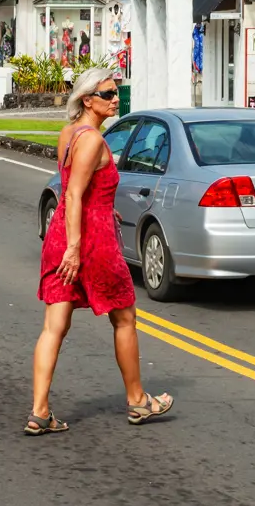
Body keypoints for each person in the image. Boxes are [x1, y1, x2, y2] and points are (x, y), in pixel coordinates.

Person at [27, 68, 173, 435]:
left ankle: (39, 411)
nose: (115, 99)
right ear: (87, 99)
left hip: (62, 233)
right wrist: (76, 248)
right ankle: (138, 401)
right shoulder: (91, 139)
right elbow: (74, 193)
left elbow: (76, 188)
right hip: (91, 242)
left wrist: (104, 207)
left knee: (53, 327)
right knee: (124, 318)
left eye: (116, 91)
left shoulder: (68, 134)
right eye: (108, 93)